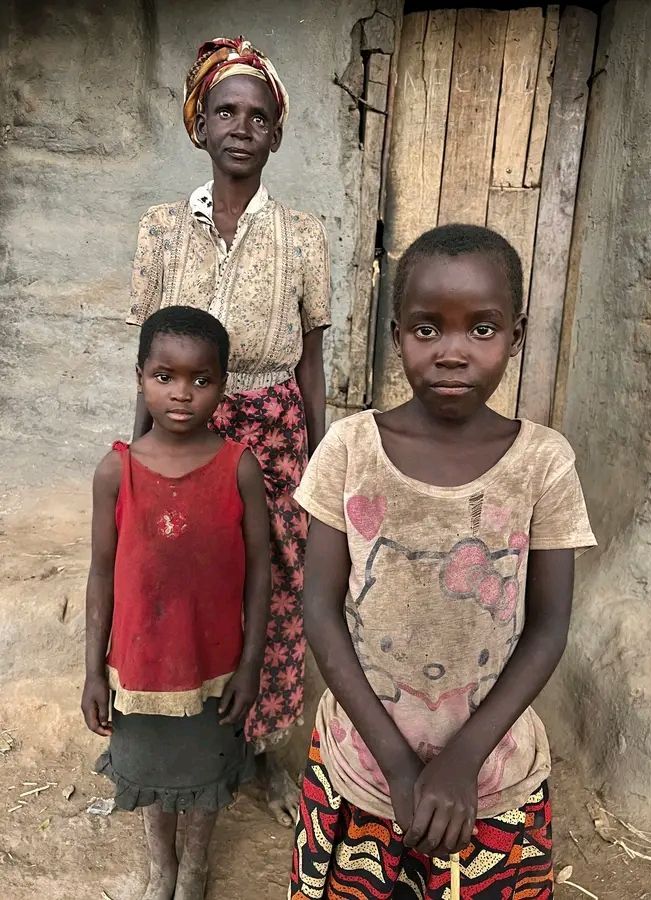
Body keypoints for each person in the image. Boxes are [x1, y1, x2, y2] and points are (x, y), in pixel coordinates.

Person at [289, 225, 597, 899]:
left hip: (490, 772)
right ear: (396, 334)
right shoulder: (348, 449)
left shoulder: (543, 463)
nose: (452, 353)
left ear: (515, 336)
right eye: (427, 330)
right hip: (363, 763)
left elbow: (546, 628)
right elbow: (318, 609)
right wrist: (398, 765)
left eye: (480, 331)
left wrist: (461, 760)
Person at [127, 36, 331, 826]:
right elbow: (146, 359)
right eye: (226, 112)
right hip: (186, 432)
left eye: (259, 115)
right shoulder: (159, 229)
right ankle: (193, 748)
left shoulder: (304, 233)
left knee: (277, 595)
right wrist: (137, 460)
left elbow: (312, 362)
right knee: (192, 588)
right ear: (199, 126)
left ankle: (265, 756)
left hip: (275, 435)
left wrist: (320, 465)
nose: (242, 127)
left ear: (276, 134)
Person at [82, 306, 271, 900]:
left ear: (222, 384)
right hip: (139, 668)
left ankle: (194, 865)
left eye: (201, 379)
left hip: (213, 668)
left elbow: (262, 570)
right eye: (165, 377)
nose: (182, 394)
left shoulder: (238, 468)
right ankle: (161, 863)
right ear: (140, 377)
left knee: (207, 770)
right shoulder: (117, 471)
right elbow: (102, 572)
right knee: (148, 772)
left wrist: (250, 665)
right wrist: (92, 670)